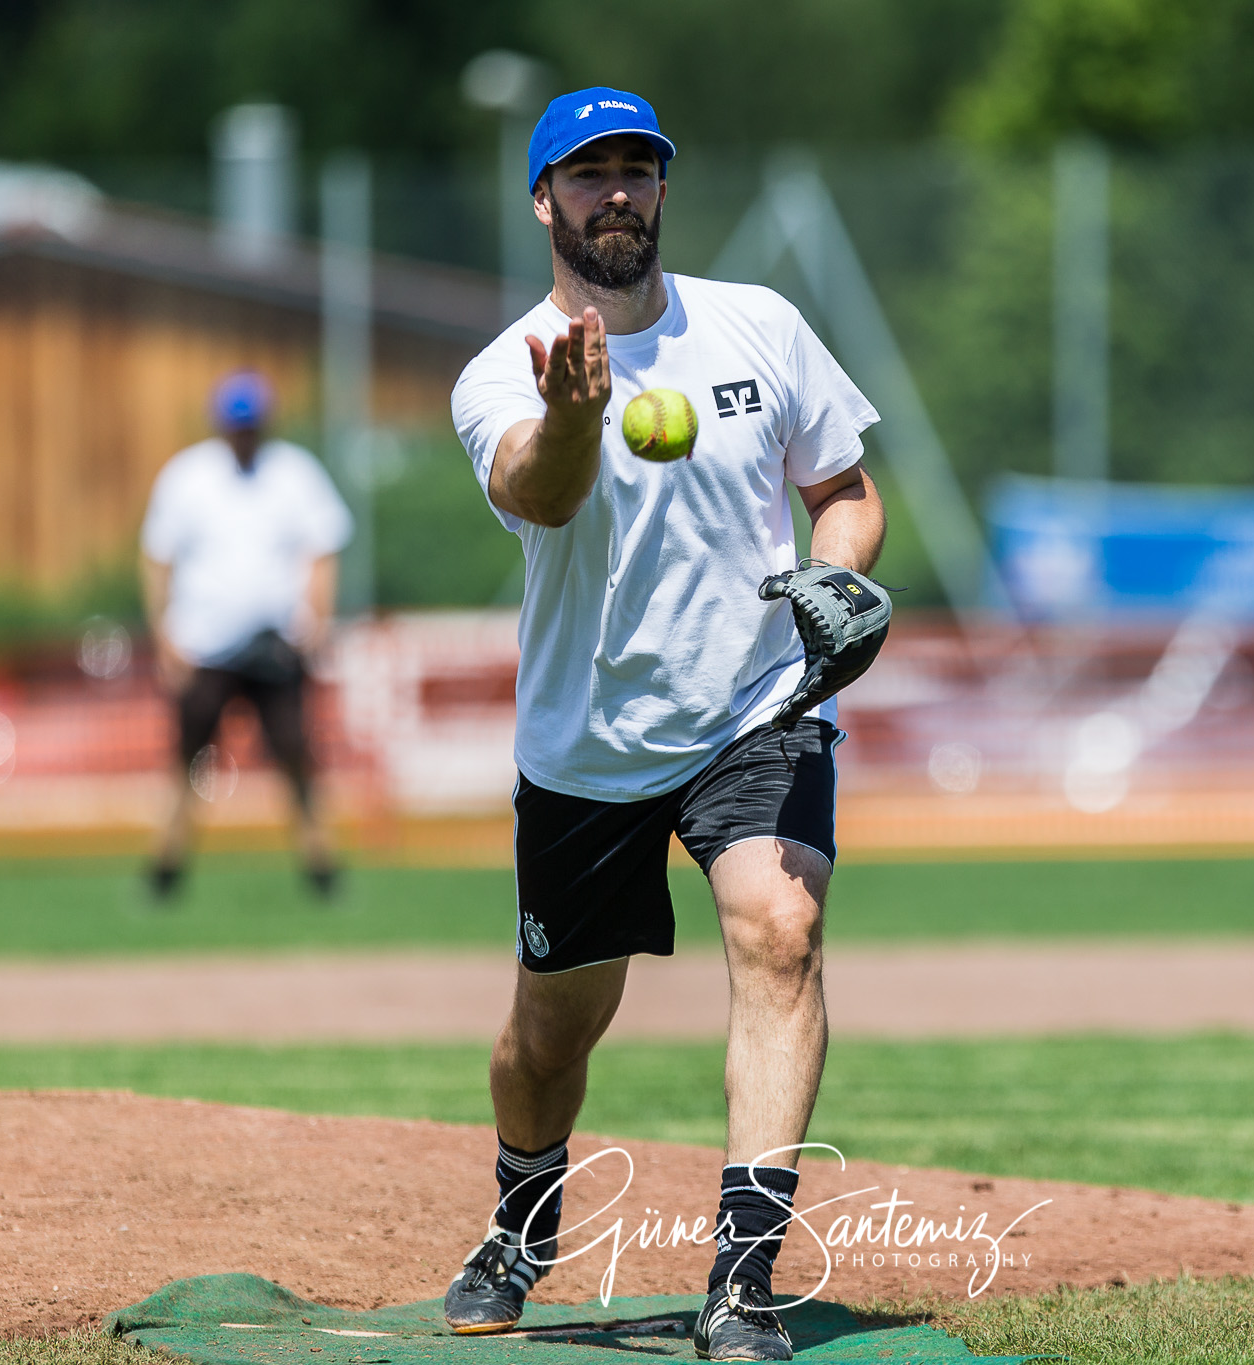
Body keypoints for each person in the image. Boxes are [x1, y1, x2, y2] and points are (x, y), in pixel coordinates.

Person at [444, 87, 886, 1362]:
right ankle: (523, 1217)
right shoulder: (505, 370)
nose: (617, 191)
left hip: (753, 708)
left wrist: (840, 573)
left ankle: (742, 1287)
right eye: (587, 174)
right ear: (544, 202)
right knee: (546, 1037)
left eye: (636, 168)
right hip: (589, 749)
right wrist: (575, 412)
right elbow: (539, 485)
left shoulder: (759, 325)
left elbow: (842, 490)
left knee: (782, 927)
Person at [139, 371, 354, 901]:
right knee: (186, 760)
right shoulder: (186, 477)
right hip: (204, 645)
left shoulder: (295, 473)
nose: (244, 434)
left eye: (251, 425)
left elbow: (323, 548)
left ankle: (320, 865)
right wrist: (164, 636)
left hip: (275, 642)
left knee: (296, 757)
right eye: (237, 426)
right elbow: (157, 558)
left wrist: (317, 619)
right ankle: (165, 865)